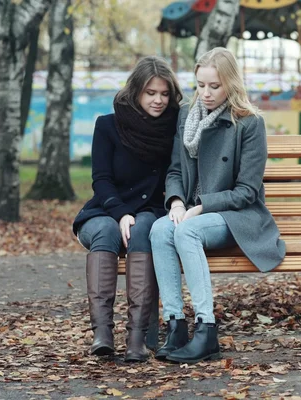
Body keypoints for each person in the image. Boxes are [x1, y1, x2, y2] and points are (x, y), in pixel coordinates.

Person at [149, 47, 286, 364]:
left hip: (236, 216)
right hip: (194, 211)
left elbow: (247, 192)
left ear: (231, 84)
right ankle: (175, 326)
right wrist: (176, 202)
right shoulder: (186, 115)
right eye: (201, 85)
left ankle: (206, 330)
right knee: (159, 230)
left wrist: (201, 207)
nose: (206, 93)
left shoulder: (248, 123)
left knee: (186, 233)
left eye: (215, 86)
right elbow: (174, 170)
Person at [72, 56, 183, 362]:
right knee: (107, 231)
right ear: (135, 92)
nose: (159, 100)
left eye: (164, 94)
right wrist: (120, 212)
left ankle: (137, 339)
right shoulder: (108, 125)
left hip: (150, 210)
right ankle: (102, 334)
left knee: (143, 227)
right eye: (151, 93)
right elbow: (101, 180)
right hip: (105, 211)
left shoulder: (175, 127)